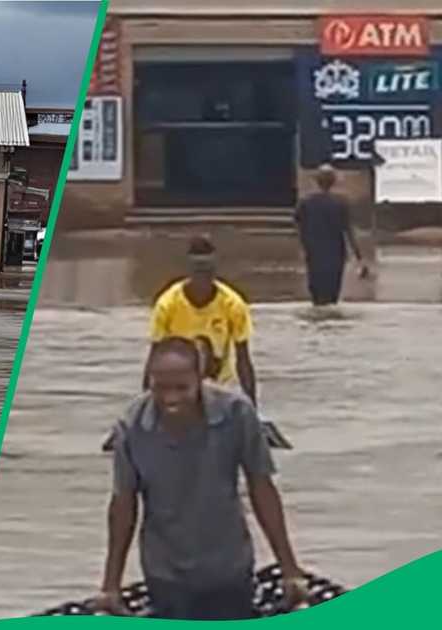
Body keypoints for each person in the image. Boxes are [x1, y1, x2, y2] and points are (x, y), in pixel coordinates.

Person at [96, 338, 307, 620]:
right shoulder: (132, 427)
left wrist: (290, 570)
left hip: (228, 567)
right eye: (161, 388)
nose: (170, 399)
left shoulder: (236, 414)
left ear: (200, 379)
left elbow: (262, 488)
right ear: (149, 381)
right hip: (165, 573)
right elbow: (123, 506)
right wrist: (111, 585)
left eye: (181, 388)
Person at [144, 236, 258, 407]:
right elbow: (155, 356)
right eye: (198, 270)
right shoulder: (167, 305)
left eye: (208, 270)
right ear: (189, 271)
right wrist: (147, 403)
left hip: (220, 388)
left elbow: (243, 359)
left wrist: (252, 407)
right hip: (179, 389)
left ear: (214, 270)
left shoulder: (233, 304)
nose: (203, 277)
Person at [294, 164, 367, 306]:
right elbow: (348, 231)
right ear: (333, 182)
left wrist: (304, 247)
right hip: (335, 254)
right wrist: (359, 257)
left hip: (314, 253)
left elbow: (298, 226)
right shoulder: (341, 203)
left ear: (316, 181)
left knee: (316, 295)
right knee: (332, 295)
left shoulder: (306, 203)